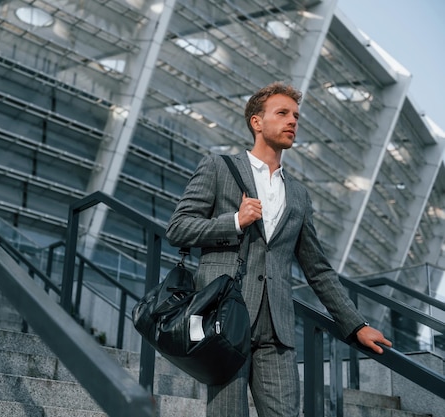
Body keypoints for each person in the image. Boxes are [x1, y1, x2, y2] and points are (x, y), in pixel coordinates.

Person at [165, 81, 392, 417]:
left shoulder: (299, 195)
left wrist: (355, 325)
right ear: (257, 122)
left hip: (278, 330)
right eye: (283, 113)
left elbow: (317, 269)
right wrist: (235, 222)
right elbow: (178, 228)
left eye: (296, 116)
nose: (292, 122)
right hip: (225, 320)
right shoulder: (219, 168)